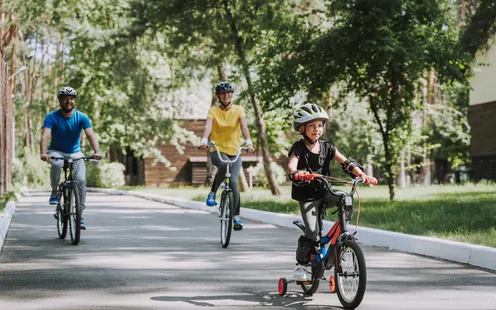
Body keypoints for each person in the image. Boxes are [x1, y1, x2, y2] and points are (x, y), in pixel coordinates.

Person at [287, 103, 377, 282]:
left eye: (320, 125)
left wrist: (361, 174)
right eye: (312, 126)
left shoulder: (328, 147)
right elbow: (291, 165)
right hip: (307, 196)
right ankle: (302, 265)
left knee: (346, 200)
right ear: (302, 128)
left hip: (325, 190)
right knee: (312, 232)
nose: (317, 129)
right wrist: (297, 173)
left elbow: (346, 163)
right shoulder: (298, 148)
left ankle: (340, 239)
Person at [40, 86, 103, 230]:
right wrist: (43, 152)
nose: (69, 101)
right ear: (60, 100)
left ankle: (79, 215)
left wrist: (97, 151)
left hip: (75, 153)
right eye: (65, 98)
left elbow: (90, 135)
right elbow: (45, 135)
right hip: (56, 151)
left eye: (72, 98)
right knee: (56, 164)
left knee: (80, 181)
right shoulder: (52, 117)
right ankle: (55, 191)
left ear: (74, 101)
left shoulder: (82, 117)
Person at [199, 81, 255, 231]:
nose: (226, 95)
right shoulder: (213, 111)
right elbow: (208, 126)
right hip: (217, 150)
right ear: (218, 96)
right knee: (224, 165)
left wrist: (249, 143)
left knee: (234, 183)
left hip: (235, 151)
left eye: (229, 93)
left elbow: (243, 126)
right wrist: (204, 140)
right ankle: (212, 193)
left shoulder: (238, 110)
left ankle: (236, 217)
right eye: (223, 93)